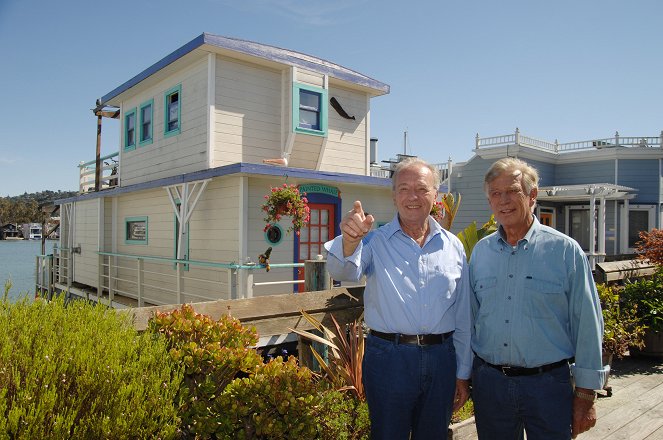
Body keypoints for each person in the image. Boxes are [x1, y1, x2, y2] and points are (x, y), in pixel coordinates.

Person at [324, 157, 472, 440]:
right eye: (403, 189)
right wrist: (350, 241)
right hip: (388, 358)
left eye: (421, 188)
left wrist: (463, 372)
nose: (412, 196)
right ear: (393, 196)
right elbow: (342, 270)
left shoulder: (453, 246)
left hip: (442, 358)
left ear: (435, 196)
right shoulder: (373, 241)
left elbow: (463, 314)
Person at [470, 157, 608, 440]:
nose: (504, 200)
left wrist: (585, 393)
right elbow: (470, 319)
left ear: (532, 196)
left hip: (548, 386)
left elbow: (587, 323)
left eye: (513, 191)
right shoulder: (480, 253)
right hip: (491, 386)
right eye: (496, 194)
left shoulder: (565, 251)